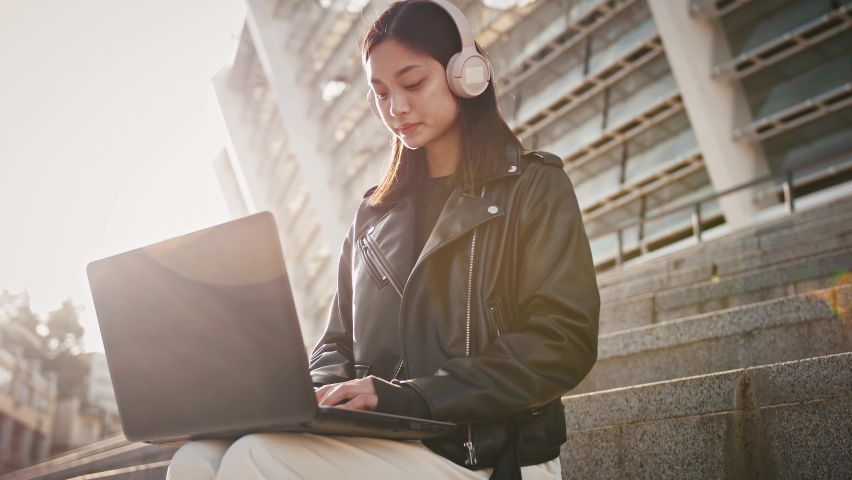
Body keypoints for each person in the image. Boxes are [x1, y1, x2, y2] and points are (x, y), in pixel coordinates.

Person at [166, 0, 599, 478]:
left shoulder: (534, 188)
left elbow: (563, 342)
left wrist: (416, 395)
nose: (396, 107)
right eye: (380, 92)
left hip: (489, 456)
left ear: (466, 75)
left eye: (413, 84)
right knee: (196, 459)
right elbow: (335, 345)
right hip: (389, 447)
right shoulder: (372, 216)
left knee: (255, 458)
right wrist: (312, 397)